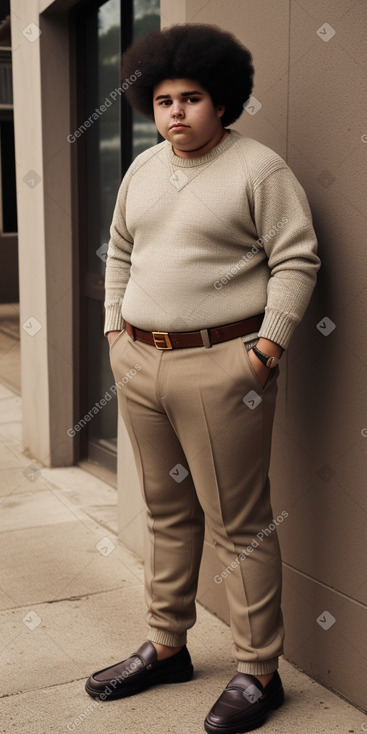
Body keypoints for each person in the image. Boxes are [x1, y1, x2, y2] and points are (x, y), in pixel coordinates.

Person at [85, 23, 320, 733]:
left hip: (224, 367)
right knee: (166, 512)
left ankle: (258, 671)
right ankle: (165, 645)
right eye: (162, 101)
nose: (175, 113)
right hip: (140, 362)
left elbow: (297, 259)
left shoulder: (258, 169)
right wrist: (112, 331)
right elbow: (120, 250)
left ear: (222, 102)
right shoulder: (142, 170)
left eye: (190, 98)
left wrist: (264, 351)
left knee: (240, 523)